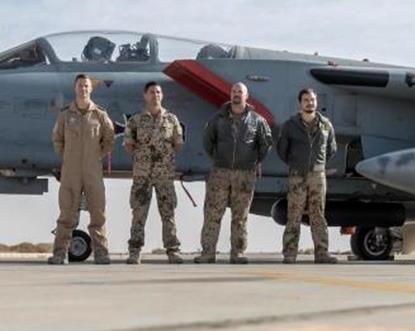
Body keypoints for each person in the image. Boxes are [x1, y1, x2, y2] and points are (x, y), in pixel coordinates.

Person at [196, 82, 273, 264]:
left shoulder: (257, 120)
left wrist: (253, 161)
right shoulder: (217, 119)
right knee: (212, 213)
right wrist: (219, 159)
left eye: (240, 91)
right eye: (234, 91)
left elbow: (265, 144)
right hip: (220, 172)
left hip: (245, 174)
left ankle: (237, 253)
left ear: (247, 96)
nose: (236, 94)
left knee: (240, 215)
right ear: (230, 95)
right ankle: (208, 253)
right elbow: (208, 142)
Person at [48, 74, 116, 264]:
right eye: (80, 86)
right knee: (66, 214)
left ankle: (102, 254)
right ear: (75, 88)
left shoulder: (100, 115)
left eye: (86, 86)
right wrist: (69, 157)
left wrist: (95, 156)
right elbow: (57, 139)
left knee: (98, 213)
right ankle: (59, 254)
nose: (83, 89)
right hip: (70, 171)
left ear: (91, 89)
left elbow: (109, 140)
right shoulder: (65, 115)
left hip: (93, 171)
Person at [124, 81, 184, 264]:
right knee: (139, 214)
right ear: (145, 96)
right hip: (142, 175)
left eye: (158, 92)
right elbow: (128, 145)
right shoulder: (135, 121)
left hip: (164, 176)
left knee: (168, 214)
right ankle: (134, 251)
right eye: (151, 92)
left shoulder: (172, 120)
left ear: (162, 95)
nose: (155, 95)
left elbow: (178, 144)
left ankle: (173, 250)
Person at [275, 88, 338, 263]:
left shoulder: (326, 125)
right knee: (293, 214)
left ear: (316, 102)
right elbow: (282, 150)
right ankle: (289, 254)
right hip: (297, 175)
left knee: (318, 214)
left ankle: (322, 253)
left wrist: (317, 163)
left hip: (318, 176)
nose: (309, 103)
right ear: (300, 103)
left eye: (312, 100)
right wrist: (296, 163)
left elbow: (331, 149)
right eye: (306, 100)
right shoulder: (290, 125)